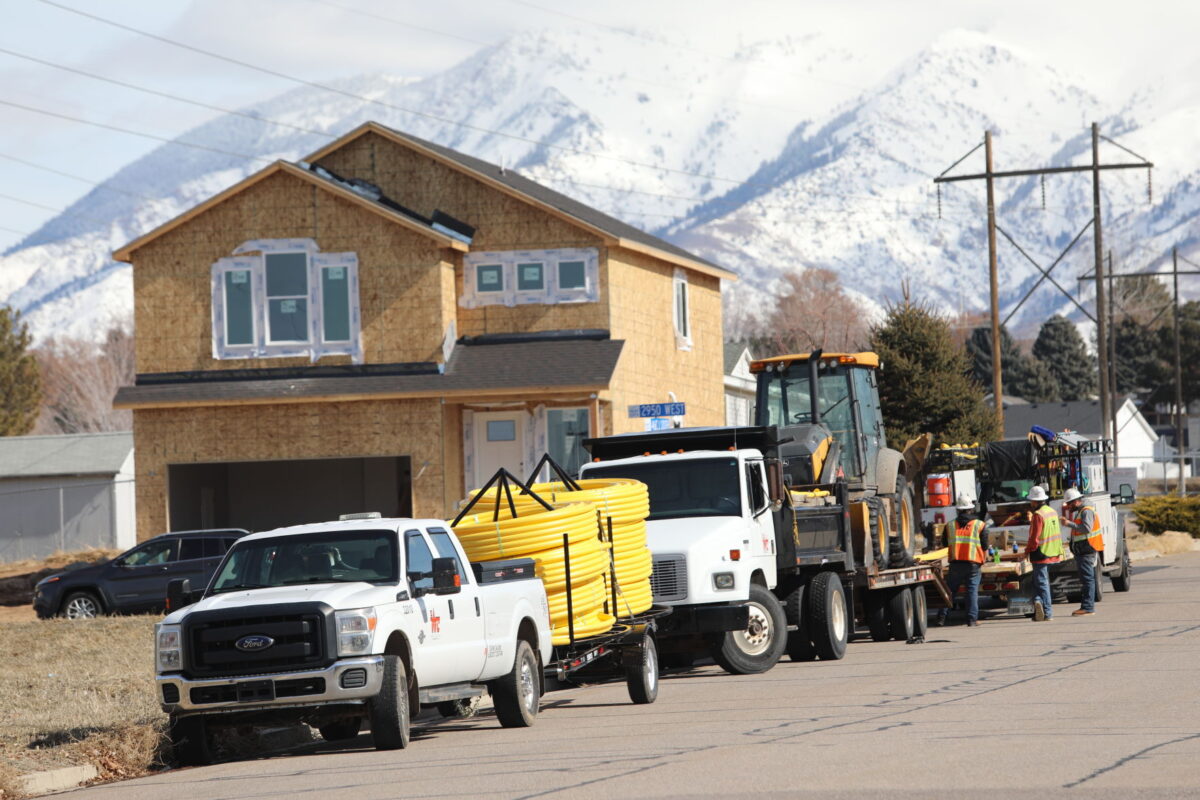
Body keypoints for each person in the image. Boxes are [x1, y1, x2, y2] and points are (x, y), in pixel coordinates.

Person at [936, 492, 988, 627]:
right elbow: (985, 545)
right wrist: (985, 558)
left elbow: (945, 543)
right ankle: (971, 620)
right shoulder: (979, 525)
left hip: (955, 563)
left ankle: (941, 617)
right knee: (971, 592)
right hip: (973, 564)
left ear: (958, 509)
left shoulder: (950, 525)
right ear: (971, 508)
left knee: (949, 591)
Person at [1061, 487, 1104, 616]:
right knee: (1087, 579)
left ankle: (1088, 607)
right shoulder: (1082, 510)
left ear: (1075, 501)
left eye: (1069, 504)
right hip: (1084, 549)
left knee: (1087, 580)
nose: (1068, 507)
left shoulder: (1086, 511)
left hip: (1087, 549)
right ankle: (1087, 607)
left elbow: (1086, 528)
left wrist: (1068, 524)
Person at [1024, 485, 1064, 621]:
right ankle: (1038, 603)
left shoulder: (1038, 515)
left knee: (1041, 582)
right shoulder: (1052, 511)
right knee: (1038, 581)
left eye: (1031, 501)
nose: (1030, 503)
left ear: (1035, 501)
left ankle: (1047, 613)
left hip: (1041, 553)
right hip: (1053, 551)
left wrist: (1026, 551)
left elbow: (1034, 538)